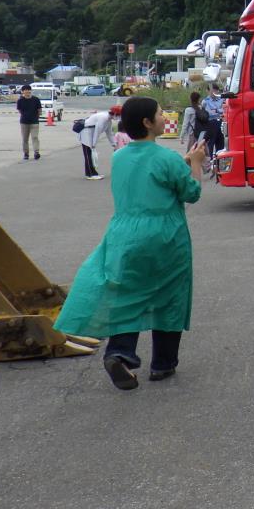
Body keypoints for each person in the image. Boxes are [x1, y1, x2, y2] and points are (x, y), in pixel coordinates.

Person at [55, 97, 206, 390]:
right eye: (160, 114)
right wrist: (196, 164)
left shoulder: (120, 157)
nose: (164, 117)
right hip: (165, 236)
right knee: (170, 296)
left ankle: (120, 352)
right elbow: (192, 193)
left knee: (127, 295)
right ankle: (163, 364)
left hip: (124, 235)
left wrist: (182, 162)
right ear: (148, 123)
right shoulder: (168, 158)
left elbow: (149, 174)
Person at [79, 105, 118, 180]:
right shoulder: (103, 118)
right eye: (118, 115)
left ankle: (92, 173)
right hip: (86, 133)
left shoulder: (108, 120)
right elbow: (97, 131)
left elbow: (109, 133)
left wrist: (114, 144)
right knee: (88, 154)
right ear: (114, 113)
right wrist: (94, 144)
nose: (119, 117)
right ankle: (90, 174)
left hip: (91, 134)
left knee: (91, 155)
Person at [16, 83, 42, 161]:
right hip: (24, 122)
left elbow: (39, 110)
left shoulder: (36, 99)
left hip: (34, 122)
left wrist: (36, 117)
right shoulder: (20, 100)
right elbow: (19, 110)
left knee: (35, 137)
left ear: (30, 91)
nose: (27, 92)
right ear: (22, 92)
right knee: (25, 139)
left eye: (28, 90)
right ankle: (26, 153)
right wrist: (25, 115)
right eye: (25, 90)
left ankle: (36, 152)